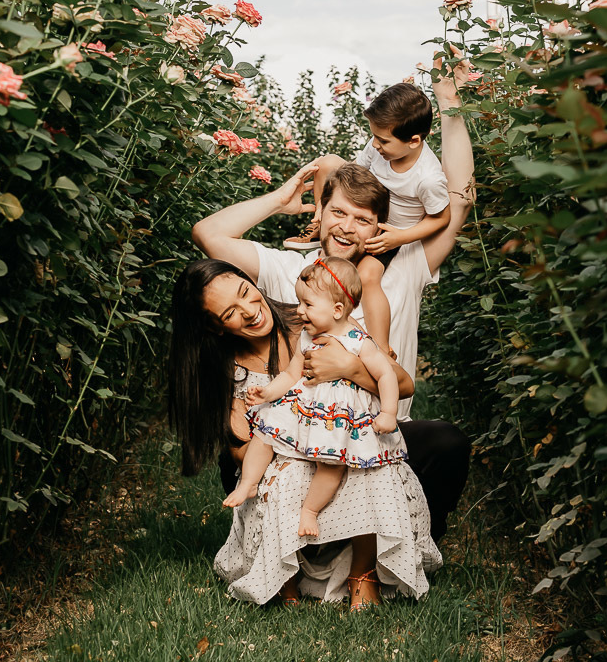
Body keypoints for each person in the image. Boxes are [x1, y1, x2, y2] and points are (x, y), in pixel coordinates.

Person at [191, 52, 475, 541]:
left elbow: (461, 199)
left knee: (447, 442)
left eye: (364, 219)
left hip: (377, 431)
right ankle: (290, 533)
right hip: (307, 433)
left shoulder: (403, 266)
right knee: (255, 443)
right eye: (338, 213)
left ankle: (415, 531)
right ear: (321, 213)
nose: (348, 227)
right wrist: (280, 200)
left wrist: (448, 105)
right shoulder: (289, 267)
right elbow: (209, 234)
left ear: (380, 227)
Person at [167, 258, 439, 609]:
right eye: (230, 313)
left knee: (365, 465)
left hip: (332, 435)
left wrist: (351, 368)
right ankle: (284, 574)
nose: (250, 311)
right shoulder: (219, 371)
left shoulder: (314, 321)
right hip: (277, 457)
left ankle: (363, 574)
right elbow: (245, 449)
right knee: (291, 469)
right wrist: (263, 410)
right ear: (216, 328)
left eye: (246, 293)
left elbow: (401, 383)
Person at [224, 257, 407, 542]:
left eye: (307, 305)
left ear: (337, 310)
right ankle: (248, 483)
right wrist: (268, 393)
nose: (299, 311)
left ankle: (310, 510)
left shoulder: (359, 340)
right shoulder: (308, 337)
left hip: (338, 417)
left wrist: (388, 413)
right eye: (299, 303)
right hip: (302, 407)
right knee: (264, 433)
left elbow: (387, 376)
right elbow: (290, 374)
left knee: (331, 465)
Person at [283, 83, 452, 353]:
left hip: (389, 233)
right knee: (326, 163)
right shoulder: (378, 147)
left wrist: (399, 237)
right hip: (366, 207)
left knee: (368, 275)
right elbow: (353, 173)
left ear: (414, 141)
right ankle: (320, 222)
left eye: (383, 140)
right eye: (374, 136)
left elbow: (442, 219)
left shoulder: (428, 178)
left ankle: (381, 345)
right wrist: (332, 202)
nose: (375, 144)